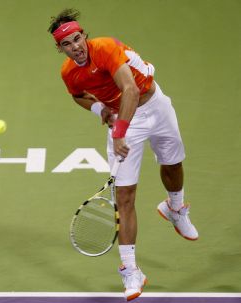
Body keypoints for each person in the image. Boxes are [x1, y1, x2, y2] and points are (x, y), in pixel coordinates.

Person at [48, 9, 198, 301]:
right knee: (125, 196)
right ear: (60, 49)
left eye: (77, 39)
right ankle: (131, 271)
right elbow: (78, 94)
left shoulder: (105, 48)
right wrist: (98, 109)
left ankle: (175, 208)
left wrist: (118, 133)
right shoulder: (69, 73)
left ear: (84, 36)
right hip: (125, 119)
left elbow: (129, 89)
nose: (75, 47)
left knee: (173, 164)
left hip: (155, 104)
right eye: (67, 44)